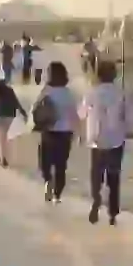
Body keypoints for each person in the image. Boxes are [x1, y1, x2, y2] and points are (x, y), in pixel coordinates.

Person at [79, 60, 133, 225]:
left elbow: (81, 114)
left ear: (97, 75)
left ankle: (96, 199)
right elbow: (129, 118)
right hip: (115, 141)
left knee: (96, 175)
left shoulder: (91, 93)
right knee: (113, 177)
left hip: (95, 140)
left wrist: (80, 133)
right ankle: (112, 214)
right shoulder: (121, 94)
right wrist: (132, 130)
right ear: (114, 75)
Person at [32, 61, 81, 202]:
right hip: (65, 133)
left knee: (45, 162)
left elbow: (36, 109)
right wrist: (79, 133)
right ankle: (57, 194)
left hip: (49, 131)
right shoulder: (69, 93)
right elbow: (74, 115)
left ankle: (48, 180)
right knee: (61, 165)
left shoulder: (46, 91)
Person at [0, 73, 27, 167]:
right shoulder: (9, 90)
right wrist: (23, 113)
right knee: (4, 137)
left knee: (1, 138)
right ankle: (2, 158)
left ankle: (2, 159)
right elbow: (16, 102)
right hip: (9, 115)